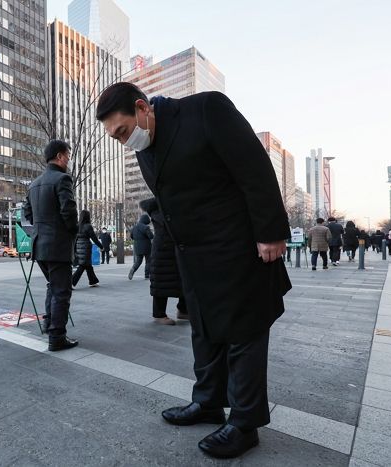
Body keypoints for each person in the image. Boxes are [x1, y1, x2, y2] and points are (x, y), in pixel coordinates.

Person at [97, 83, 291, 458]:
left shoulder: (205, 110)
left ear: (142, 108)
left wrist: (270, 232)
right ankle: (207, 402)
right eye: (115, 137)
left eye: (123, 131)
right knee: (203, 330)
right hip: (193, 254)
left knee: (243, 333)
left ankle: (244, 422)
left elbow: (254, 166)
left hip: (237, 246)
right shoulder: (145, 147)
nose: (123, 142)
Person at [23, 140, 79, 351]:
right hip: (57, 245)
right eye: (68, 155)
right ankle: (57, 336)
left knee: (52, 287)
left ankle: (49, 324)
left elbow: (28, 214)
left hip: (39, 245)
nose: (68, 160)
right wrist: (73, 232)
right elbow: (69, 212)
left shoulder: (34, 183)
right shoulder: (62, 179)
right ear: (59, 156)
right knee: (61, 292)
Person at [140, 198, 188, 324]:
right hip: (163, 251)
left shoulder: (167, 208)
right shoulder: (159, 212)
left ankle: (183, 310)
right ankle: (159, 314)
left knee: (184, 280)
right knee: (162, 281)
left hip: (173, 250)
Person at [71, 210, 103, 288]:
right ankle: (70, 282)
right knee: (82, 265)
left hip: (78, 246)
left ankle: (93, 281)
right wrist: (101, 246)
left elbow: (74, 238)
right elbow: (94, 238)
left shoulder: (78, 226)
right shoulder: (88, 226)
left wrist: (74, 249)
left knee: (88, 265)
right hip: (85, 247)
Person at [129, 213, 153, 280]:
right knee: (148, 261)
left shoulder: (134, 227)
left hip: (137, 247)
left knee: (138, 261)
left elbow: (131, 236)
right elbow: (151, 236)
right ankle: (147, 275)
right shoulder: (146, 227)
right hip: (146, 247)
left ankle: (133, 269)